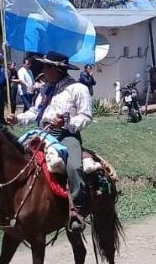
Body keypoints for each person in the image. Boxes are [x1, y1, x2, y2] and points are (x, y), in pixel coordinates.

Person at [7, 51, 93, 232]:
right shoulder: (45, 88)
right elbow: (35, 112)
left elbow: (86, 116)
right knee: (15, 159)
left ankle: (77, 208)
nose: (42, 70)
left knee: (74, 166)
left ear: (57, 69)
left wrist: (66, 122)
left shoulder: (78, 88)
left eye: (45, 66)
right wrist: (18, 118)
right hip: (42, 133)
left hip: (66, 135)